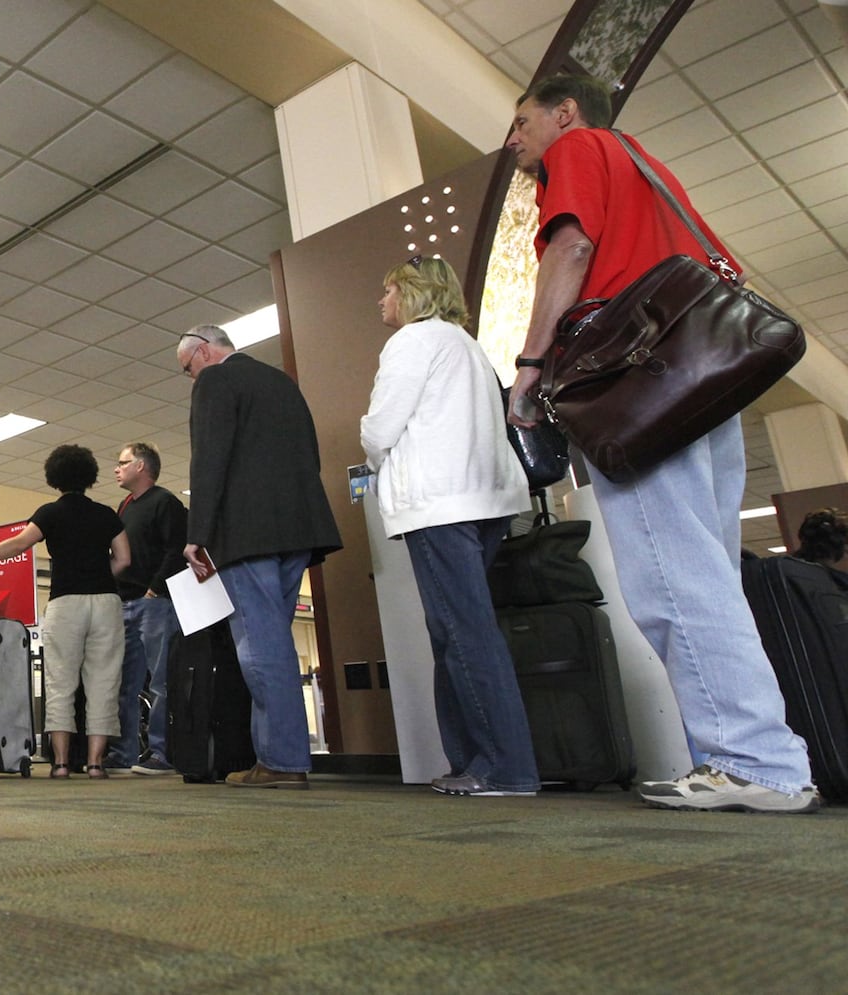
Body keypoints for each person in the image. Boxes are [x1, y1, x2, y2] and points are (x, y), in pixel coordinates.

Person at [504, 74, 819, 813]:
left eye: (522, 123)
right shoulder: (647, 163)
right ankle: (743, 755)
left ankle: (757, 761)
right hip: (700, 375)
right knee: (706, 569)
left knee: (669, 577)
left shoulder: (579, 148)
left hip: (638, 383)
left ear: (565, 112)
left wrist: (529, 365)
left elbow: (572, 250)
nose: (514, 139)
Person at [361, 256, 537, 797]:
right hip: (484, 499)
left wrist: (371, 454)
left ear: (412, 294)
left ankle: (505, 767)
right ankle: (472, 762)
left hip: (440, 504)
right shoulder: (468, 346)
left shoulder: (412, 342)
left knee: (463, 633)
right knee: (458, 632)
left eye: (388, 291)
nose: (381, 302)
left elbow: (380, 427)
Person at [177, 324, 342, 789]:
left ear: (204, 352)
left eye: (188, 369)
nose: (192, 379)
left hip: (247, 534)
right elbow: (308, 455)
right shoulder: (281, 382)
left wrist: (198, 532)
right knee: (274, 640)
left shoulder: (215, 381)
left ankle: (282, 761)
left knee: (259, 645)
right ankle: (278, 755)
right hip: (297, 529)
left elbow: (209, 457)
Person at [0, 445, 130, 779]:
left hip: (65, 602)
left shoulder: (49, 512)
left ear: (54, 476)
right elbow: (124, 559)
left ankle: (60, 764)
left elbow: (19, 544)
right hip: (106, 603)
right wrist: (97, 577)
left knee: (60, 683)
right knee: (104, 682)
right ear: (90, 475)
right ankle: (97, 764)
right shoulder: (106, 514)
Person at [109, 442, 187, 775]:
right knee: (126, 684)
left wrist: (155, 589)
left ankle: (162, 753)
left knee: (161, 682)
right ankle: (125, 752)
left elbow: (176, 551)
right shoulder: (124, 506)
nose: (117, 468)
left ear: (141, 466)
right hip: (125, 603)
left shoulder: (165, 503)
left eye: (123, 462)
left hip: (155, 604)